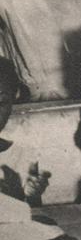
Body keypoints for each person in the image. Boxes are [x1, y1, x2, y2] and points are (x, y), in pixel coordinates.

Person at [0, 64, 50, 203]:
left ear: (12, 101)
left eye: (1, 102)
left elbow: (31, 212)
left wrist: (31, 195)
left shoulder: (22, 156)